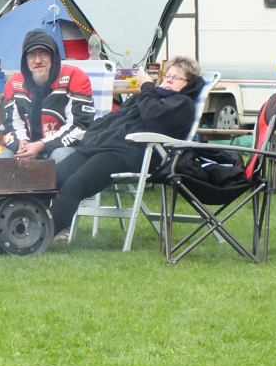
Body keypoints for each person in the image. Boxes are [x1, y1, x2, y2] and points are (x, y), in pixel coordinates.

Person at [49, 56, 204, 235]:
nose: (169, 80)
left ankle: (43, 234)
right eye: (168, 75)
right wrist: (92, 135)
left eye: (176, 77)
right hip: (102, 146)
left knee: (73, 187)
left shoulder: (182, 103)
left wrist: (147, 87)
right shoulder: (149, 97)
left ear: (189, 84)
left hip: (130, 154)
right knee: (51, 180)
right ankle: (26, 224)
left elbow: (153, 115)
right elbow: (114, 117)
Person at [0, 29, 94, 163]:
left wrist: (42, 145)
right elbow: (9, 126)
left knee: (59, 156)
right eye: (31, 55)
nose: (38, 60)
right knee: (2, 158)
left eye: (43, 53)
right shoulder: (13, 84)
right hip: (27, 147)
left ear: (54, 56)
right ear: (25, 60)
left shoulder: (76, 77)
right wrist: (20, 143)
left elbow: (80, 127)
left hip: (64, 147)